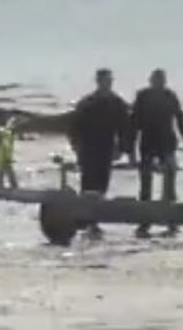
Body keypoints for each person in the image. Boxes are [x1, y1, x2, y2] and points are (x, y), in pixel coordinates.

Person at [129, 69, 183, 238]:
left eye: (161, 80)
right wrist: (130, 150)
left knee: (169, 183)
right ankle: (145, 220)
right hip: (148, 142)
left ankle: (171, 219)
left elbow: (181, 122)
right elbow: (133, 124)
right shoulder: (143, 96)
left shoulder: (170, 96)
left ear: (164, 81)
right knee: (145, 184)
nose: (158, 83)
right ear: (151, 81)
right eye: (156, 80)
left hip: (166, 143)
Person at [69, 68, 130, 238]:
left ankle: (93, 219)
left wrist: (123, 148)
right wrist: (76, 146)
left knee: (102, 183)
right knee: (88, 182)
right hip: (88, 148)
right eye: (105, 80)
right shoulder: (87, 102)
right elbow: (75, 127)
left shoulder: (117, 103)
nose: (108, 83)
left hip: (106, 148)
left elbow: (125, 128)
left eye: (110, 80)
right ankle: (86, 219)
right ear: (98, 81)